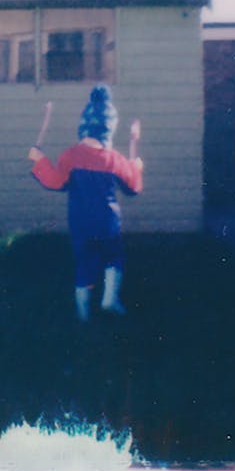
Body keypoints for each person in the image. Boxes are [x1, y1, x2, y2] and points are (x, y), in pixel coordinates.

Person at [28, 85, 143, 321]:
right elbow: (133, 186)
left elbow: (55, 181)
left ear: (83, 127)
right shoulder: (115, 160)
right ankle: (110, 299)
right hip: (108, 222)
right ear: (108, 130)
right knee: (113, 256)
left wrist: (40, 161)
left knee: (84, 262)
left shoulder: (71, 156)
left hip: (80, 222)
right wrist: (136, 165)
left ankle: (83, 314)